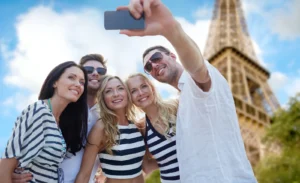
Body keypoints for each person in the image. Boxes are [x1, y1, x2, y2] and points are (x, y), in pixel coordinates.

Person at [119, 0, 258, 182]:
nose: (154, 65)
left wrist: (170, 29)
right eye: (148, 66)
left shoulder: (195, 82)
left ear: (172, 55)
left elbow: (197, 68)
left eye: (157, 57)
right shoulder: (182, 103)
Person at [10, 54, 107, 183]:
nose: (95, 73)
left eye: (101, 71)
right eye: (89, 70)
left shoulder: (106, 117)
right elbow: (15, 150)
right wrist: (9, 173)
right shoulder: (59, 106)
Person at [0, 61, 88, 183]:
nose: (77, 84)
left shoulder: (59, 121)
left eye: (81, 82)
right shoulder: (39, 110)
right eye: (71, 77)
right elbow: (6, 164)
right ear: (54, 82)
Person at [75, 75, 146, 183]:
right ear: (103, 98)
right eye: (108, 91)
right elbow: (84, 175)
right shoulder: (101, 127)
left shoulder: (135, 126)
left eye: (120, 88)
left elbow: (145, 165)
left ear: (127, 93)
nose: (116, 94)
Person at [126, 73, 180, 183]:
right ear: (130, 98)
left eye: (144, 86)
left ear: (152, 88)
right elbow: (147, 167)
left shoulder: (176, 107)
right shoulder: (141, 128)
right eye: (134, 91)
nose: (141, 93)